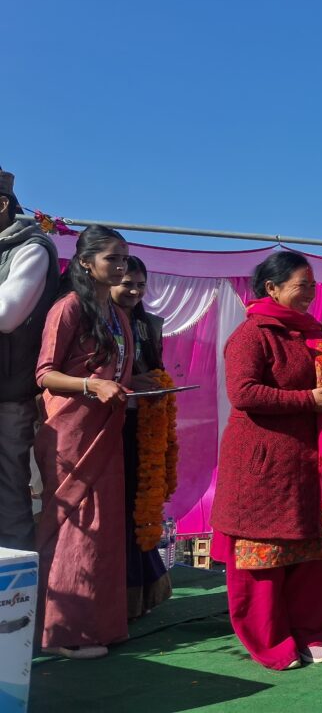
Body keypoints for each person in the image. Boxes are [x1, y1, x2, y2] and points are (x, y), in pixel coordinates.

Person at [210, 251, 322, 671]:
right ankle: (270, 640)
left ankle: (312, 632)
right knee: (263, 556)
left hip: (306, 461)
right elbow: (243, 393)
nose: (310, 293)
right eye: (301, 285)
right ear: (271, 288)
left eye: (312, 286)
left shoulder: (311, 332)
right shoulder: (251, 334)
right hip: (262, 463)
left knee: (313, 550)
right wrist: (309, 401)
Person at [35, 225, 133, 659]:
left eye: (124, 258)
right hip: (71, 432)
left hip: (106, 429)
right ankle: (64, 633)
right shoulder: (68, 307)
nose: (121, 266)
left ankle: (98, 626)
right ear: (85, 263)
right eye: (112, 258)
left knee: (102, 529)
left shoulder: (117, 314)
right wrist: (93, 385)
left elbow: (115, 372)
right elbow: (45, 375)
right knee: (76, 527)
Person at [110, 256, 173, 618]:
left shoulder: (148, 324)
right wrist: (128, 382)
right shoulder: (96, 319)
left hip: (141, 422)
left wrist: (156, 384)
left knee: (138, 504)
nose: (134, 292)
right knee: (119, 506)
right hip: (105, 423)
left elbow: (155, 367)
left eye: (140, 285)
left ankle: (141, 595)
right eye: (127, 285)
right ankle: (119, 596)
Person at [0, 167, 59, 550]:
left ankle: (15, 582)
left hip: (8, 394)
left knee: (8, 495)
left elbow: (6, 314)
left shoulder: (31, 248)